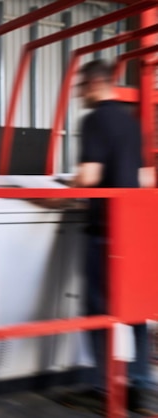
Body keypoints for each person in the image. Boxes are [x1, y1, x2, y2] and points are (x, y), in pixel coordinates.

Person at [64, 59, 156, 415]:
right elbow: (146, 178)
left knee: (96, 309)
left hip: (103, 232)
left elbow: (89, 176)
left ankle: (102, 388)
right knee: (134, 311)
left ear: (91, 85)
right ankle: (142, 387)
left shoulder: (93, 120)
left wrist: (58, 189)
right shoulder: (133, 124)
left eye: (79, 88)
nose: (78, 95)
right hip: (134, 231)